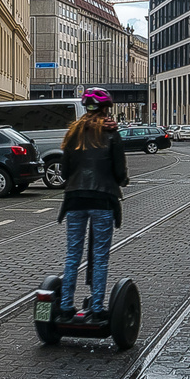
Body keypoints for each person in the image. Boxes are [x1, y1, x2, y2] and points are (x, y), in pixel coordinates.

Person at [57, 88, 129, 324]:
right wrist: (122, 180)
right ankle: (97, 308)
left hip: (75, 199)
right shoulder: (112, 134)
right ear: (105, 108)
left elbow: (64, 172)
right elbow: (120, 172)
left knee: (72, 255)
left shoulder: (73, 132)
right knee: (100, 256)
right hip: (102, 200)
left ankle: (66, 306)